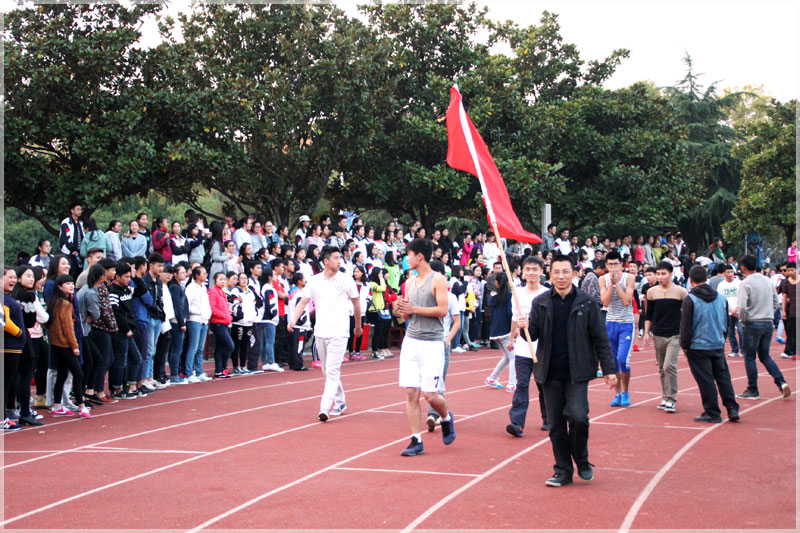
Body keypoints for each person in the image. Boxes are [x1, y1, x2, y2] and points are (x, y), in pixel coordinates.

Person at [526, 255, 617, 486]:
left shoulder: (587, 303)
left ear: (574, 274)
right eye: (556, 272)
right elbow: (532, 335)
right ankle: (563, 470)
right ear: (550, 274)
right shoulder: (541, 303)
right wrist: (524, 327)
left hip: (577, 371)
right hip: (549, 371)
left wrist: (609, 369)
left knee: (578, 417)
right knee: (556, 425)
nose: (561, 277)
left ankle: (582, 460)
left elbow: (600, 338)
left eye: (565, 272)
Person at [394, 238, 455, 456]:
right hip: (411, 341)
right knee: (411, 392)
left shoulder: (438, 279)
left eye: (409, 255)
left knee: (430, 395)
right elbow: (405, 315)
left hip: (432, 343)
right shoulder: (409, 282)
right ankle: (416, 440)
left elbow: (442, 310)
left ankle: (446, 417)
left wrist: (414, 308)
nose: (406, 259)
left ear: (419, 256)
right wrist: (400, 308)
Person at [288, 246, 361, 421]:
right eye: (336, 258)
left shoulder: (346, 279)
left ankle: (324, 407)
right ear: (326, 261)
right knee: (327, 371)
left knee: (332, 371)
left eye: (340, 258)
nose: (339, 261)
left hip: (340, 331)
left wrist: (358, 326)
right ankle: (340, 401)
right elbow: (303, 302)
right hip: (321, 331)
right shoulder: (314, 280)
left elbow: (356, 303)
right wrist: (293, 319)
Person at [680, 266, 740, 423]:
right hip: (717, 343)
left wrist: (684, 345)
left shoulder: (690, 299)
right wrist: (722, 338)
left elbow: (686, 325)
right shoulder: (721, 297)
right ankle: (732, 407)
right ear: (707, 278)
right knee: (723, 377)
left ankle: (712, 412)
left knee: (705, 380)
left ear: (691, 280)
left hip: (698, 345)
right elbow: (726, 322)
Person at [736, 255, 791, 400]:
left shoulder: (745, 283)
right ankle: (781, 382)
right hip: (767, 322)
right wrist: (769, 314)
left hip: (752, 323)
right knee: (765, 356)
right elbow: (775, 301)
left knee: (749, 357)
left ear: (743, 268)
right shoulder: (767, 281)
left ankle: (752, 389)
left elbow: (742, 307)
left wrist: (743, 320)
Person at [507, 256, 551, 437]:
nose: (531, 273)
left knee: (543, 385)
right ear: (523, 272)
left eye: (535, 269)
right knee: (522, 384)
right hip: (522, 347)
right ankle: (517, 423)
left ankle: (548, 418)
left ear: (541, 271)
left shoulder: (548, 294)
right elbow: (514, 318)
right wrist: (511, 338)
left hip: (543, 347)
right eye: (528, 269)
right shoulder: (517, 293)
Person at [45, 274, 92, 418]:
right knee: (78, 374)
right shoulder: (64, 304)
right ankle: (81, 406)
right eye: (67, 284)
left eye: (72, 283)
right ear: (60, 287)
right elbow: (68, 327)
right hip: (65, 344)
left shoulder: (54, 302)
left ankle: (57, 406)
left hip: (56, 344)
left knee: (62, 374)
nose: (71, 286)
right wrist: (75, 346)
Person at [643, 261, 687, 413]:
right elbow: (648, 314)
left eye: (663, 274)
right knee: (662, 368)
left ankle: (671, 398)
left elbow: (687, 314)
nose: (660, 277)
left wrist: (686, 333)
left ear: (671, 274)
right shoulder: (652, 292)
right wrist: (646, 333)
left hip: (675, 334)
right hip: (658, 334)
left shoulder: (681, 292)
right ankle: (665, 397)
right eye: (658, 274)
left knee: (669, 365)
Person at [425, 259, 460, 432]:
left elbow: (457, 322)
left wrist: (447, 340)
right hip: (424, 343)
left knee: (438, 381)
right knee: (424, 383)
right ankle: (442, 413)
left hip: (441, 344)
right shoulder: (424, 295)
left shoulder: (450, 297)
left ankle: (433, 415)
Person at [600, 250, 635, 407]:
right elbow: (605, 302)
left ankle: (626, 391)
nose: (613, 268)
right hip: (611, 323)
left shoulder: (629, 278)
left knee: (623, 360)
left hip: (626, 323)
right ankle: (618, 393)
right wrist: (611, 285)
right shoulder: (603, 279)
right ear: (606, 265)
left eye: (616, 264)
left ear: (621, 264)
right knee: (613, 361)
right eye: (610, 265)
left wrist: (617, 285)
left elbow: (627, 301)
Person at [485, 273, 515, 390]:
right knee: (513, 357)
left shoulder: (492, 296)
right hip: (504, 330)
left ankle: (492, 377)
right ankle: (512, 383)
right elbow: (510, 313)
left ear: (497, 283)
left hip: (495, 330)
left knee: (507, 356)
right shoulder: (508, 296)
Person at [184, 266, 213, 383]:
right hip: (194, 320)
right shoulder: (191, 288)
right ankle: (189, 373)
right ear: (197, 275)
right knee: (193, 348)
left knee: (200, 349)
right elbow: (187, 304)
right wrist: (197, 311)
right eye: (204, 273)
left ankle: (199, 371)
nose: (206, 275)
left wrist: (207, 314)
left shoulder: (203, 287)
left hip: (204, 320)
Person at [208, 272, 235, 378]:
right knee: (230, 345)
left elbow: (226, 307)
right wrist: (224, 315)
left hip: (225, 322)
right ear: (215, 280)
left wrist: (228, 316)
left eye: (224, 279)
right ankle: (223, 367)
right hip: (218, 323)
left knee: (220, 347)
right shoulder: (213, 292)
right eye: (220, 279)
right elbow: (213, 308)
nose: (223, 281)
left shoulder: (222, 292)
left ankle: (219, 371)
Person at [717, 265, 743, 358]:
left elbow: (742, 297)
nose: (730, 274)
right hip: (728, 312)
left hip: (739, 311)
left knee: (741, 331)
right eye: (728, 272)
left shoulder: (739, 283)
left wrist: (737, 308)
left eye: (732, 272)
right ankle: (735, 350)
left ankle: (743, 350)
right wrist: (730, 309)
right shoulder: (721, 285)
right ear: (724, 273)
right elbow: (721, 298)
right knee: (730, 332)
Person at [777, 262, 796, 359]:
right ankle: (790, 350)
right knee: (790, 330)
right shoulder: (785, 282)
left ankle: (790, 350)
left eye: (791, 270)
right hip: (789, 310)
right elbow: (781, 294)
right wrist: (784, 310)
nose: (785, 272)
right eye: (784, 270)